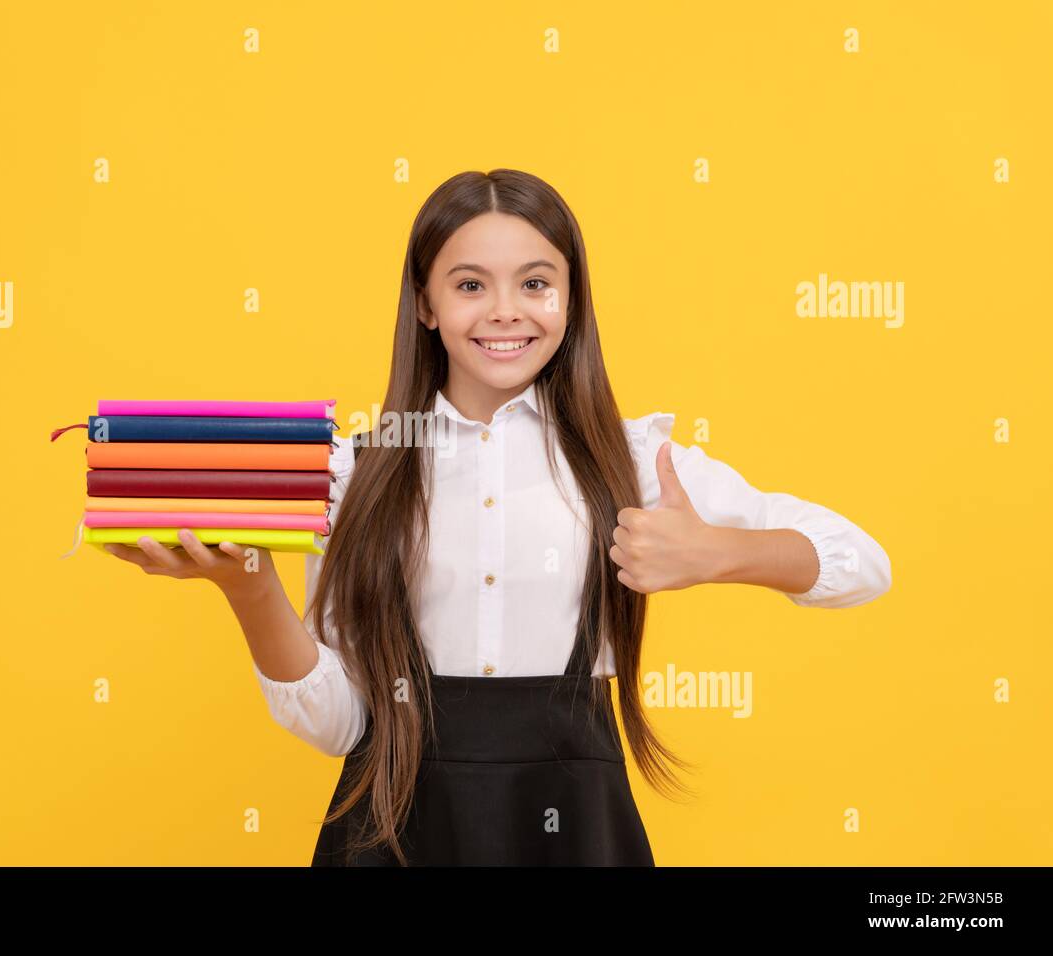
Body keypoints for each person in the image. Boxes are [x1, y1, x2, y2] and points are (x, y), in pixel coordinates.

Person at [105, 168, 893, 866]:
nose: (506, 312)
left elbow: (862, 564)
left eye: (536, 283)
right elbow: (340, 728)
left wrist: (715, 552)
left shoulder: (635, 459)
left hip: (578, 832)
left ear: (571, 298)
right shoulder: (354, 468)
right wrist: (247, 587)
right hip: (394, 834)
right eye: (471, 284)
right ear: (425, 303)